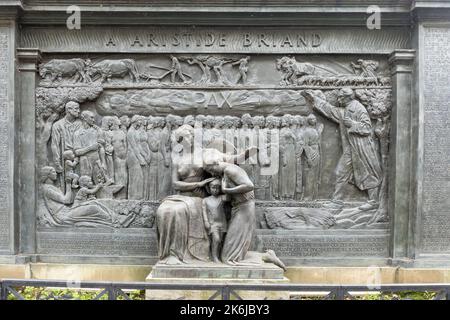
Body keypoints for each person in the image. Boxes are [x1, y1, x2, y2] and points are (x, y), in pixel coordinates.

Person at [302, 88, 382, 211]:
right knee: (341, 172)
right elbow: (330, 110)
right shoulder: (344, 110)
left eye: (340, 97)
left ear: (348, 97)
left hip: (362, 147)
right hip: (350, 148)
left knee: (367, 171)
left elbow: (366, 128)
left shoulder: (358, 108)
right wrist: (314, 99)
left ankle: (374, 201)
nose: (338, 100)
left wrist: (353, 124)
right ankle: (337, 201)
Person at [203, 149, 256, 265]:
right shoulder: (225, 172)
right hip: (238, 208)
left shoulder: (230, 169)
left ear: (216, 163)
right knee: (229, 253)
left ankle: (263, 258)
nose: (212, 174)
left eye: (211, 170)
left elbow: (249, 186)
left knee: (228, 257)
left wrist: (227, 190)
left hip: (244, 208)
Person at [202, 179, 229, 263]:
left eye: (217, 188)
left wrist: (224, 186)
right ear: (209, 188)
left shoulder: (222, 198)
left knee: (220, 241)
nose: (215, 190)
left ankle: (218, 255)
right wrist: (206, 221)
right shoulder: (205, 200)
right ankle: (214, 257)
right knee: (216, 239)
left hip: (222, 223)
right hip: (212, 223)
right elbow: (204, 212)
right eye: (213, 187)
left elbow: (229, 196)